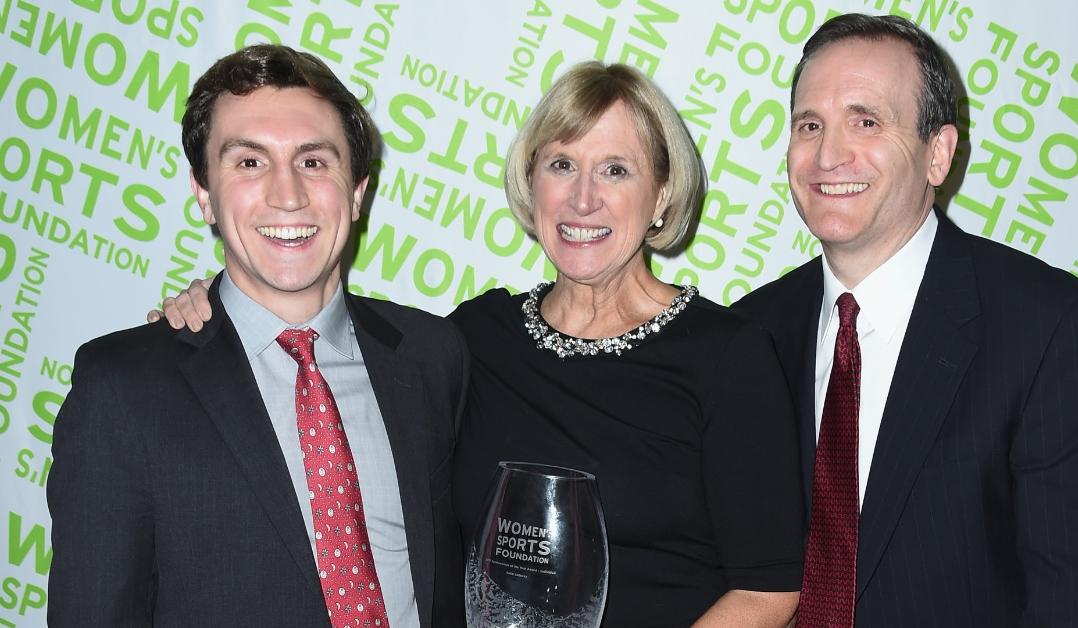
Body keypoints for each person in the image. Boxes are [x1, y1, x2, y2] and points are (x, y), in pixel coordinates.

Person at [153, 61, 806, 627]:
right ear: (532, 183)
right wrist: (218, 314)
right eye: (561, 165)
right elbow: (322, 343)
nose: (583, 198)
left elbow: (771, 589)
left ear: (661, 192)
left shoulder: (729, 356)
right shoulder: (470, 338)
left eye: (615, 169)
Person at [733, 13, 1078, 627]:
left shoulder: (1049, 328)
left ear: (938, 154)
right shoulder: (748, 333)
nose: (828, 154)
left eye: (865, 122)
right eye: (809, 125)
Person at [49, 44, 468, 627]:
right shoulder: (122, 389)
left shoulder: (432, 354)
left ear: (357, 191)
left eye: (314, 161)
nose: (287, 195)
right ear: (204, 195)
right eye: (249, 162)